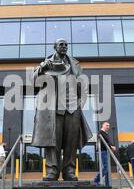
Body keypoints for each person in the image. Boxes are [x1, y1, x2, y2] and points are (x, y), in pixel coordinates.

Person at [31, 39, 92, 181]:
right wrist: (41, 68)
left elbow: (83, 85)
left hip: (72, 107)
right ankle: (52, 171)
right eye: (61, 44)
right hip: (53, 108)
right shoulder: (47, 63)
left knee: (71, 141)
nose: (64, 46)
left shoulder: (74, 64)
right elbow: (33, 81)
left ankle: (69, 171)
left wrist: (80, 103)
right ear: (55, 47)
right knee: (53, 141)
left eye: (66, 44)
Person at [93, 122, 116, 186]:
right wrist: (111, 146)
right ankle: (95, 181)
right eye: (106, 125)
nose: (108, 127)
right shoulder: (100, 132)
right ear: (103, 126)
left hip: (106, 151)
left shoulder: (106, 134)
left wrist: (112, 145)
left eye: (109, 125)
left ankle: (107, 184)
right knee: (106, 168)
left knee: (108, 169)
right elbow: (103, 142)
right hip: (103, 151)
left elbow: (109, 141)